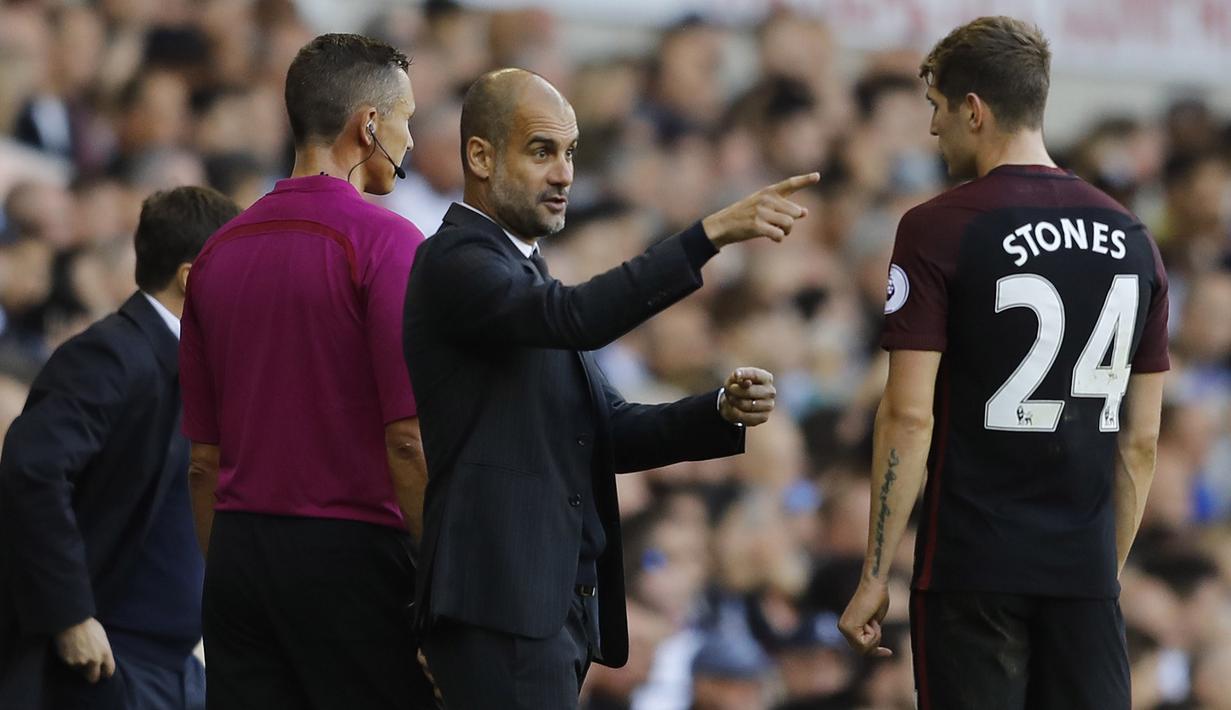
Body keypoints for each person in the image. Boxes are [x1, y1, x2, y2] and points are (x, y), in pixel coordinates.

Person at [404, 67, 817, 709]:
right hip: (499, 601)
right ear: (480, 156)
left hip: (546, 608)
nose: (564, 173)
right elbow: (577, 316)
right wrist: (705, 237)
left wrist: (717, 410)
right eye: (541, 150)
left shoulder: (522, 271)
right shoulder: (457, 261)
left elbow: (609, 432)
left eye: (570, 153)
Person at [838, 17, 1169, 710]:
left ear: (973, 109)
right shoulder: (1134, 239)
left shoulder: (937, 226)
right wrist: (1095, 572)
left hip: (971, 566)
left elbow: (906, 412)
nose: (932, 131)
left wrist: (874, 572)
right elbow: (1138, 441)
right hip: (1081, 574)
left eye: (935, 109)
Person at [179, 34, 433, 709]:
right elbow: (407, 439)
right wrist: (446, 583)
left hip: (236, 555)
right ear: (368, 125)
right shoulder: (387, 243)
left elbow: (203, 461)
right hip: (352, 558)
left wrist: (229, 574)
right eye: (405, 119)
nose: (410, 141)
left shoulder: (215, 253)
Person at [0, 186, 240, 709]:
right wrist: (70, 615)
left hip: (179, 666)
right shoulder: (111, 354)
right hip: (108, 665)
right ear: (193, 279)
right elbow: (32, 469)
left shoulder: (202, 368)